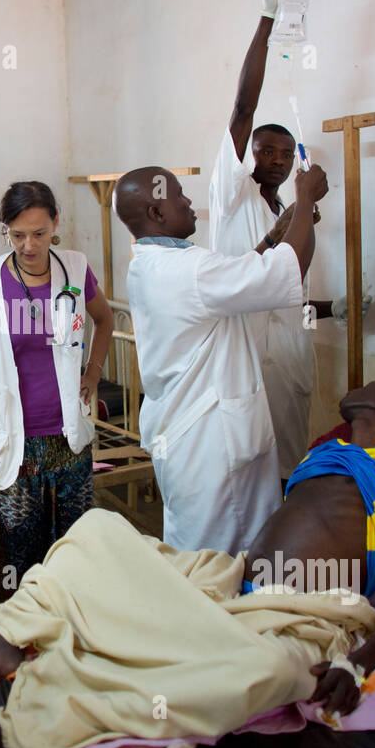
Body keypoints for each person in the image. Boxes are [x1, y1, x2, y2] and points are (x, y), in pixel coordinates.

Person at [0, 378, 375, 748]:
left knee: (272, 672)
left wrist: (358, 661)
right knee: (96, 532)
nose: (357, 389)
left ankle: (49, 707)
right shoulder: (325, 452)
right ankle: (13, 637)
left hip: (304, 610)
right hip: (230, 580)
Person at [208, 0, 372, 482]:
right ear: (247, 154)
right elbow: (242, 108)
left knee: (285, 476)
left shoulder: (288, 213)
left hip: (289, 364)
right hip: (246, 365)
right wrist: (267, 18)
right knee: (246, 479)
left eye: (285, 152)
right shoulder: (233, 195)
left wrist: (330, 309)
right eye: (265, 150)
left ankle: (277, 560)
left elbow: (283, 293)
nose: (276, 159)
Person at [116, 162, 325, 553]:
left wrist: (270, 238)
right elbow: (287, 272)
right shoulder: (187, 270)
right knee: (219, 559)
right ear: (157, 213)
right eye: (178, 195)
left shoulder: (152, 264)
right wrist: (306, 196)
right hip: (212, 441)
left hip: (190, 435)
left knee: (197, 549)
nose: (189, 200)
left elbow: (231, 280)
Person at [0, 181, 114, 609]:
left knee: (73, 552)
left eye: (39, 233)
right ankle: (11, 642)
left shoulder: (75, 270)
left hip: (67, 440)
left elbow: (105, 321)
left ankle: (69, 638)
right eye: (17, 234)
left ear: (55, 224)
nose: (28, 245)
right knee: (10, 560)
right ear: (4, 230)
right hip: (9, 443)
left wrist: (93, 373)